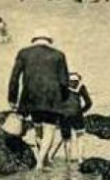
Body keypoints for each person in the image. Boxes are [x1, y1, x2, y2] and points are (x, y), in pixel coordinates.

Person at [7, 33, 71, 168]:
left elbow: (14, 78)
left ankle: (42, 158)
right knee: (50, 128)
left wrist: (12, 98)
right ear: (49, 41)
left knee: (38, 128)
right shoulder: (59, 55)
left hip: (30, 96)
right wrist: (64, 99)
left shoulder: (24, 53)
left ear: (34, 40)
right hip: (52, 97)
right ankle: (41, 161)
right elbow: (65, 82)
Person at [47, 72, 94, 164]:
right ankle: (80, 159)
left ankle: (68, 160)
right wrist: (82, 111)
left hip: (63, 114)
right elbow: (89, 103)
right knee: (80, 136)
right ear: (78, 79)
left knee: (67, 139)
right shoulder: (81, 87)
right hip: (76, 113)